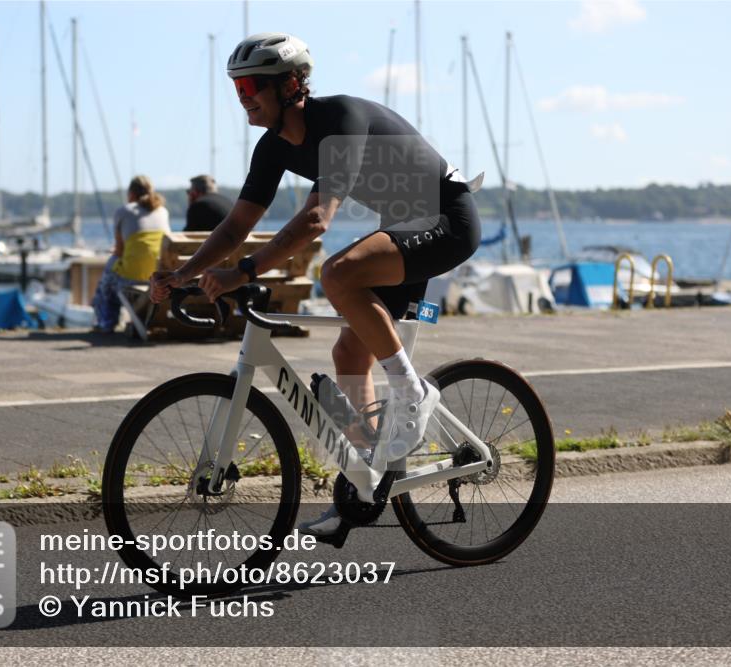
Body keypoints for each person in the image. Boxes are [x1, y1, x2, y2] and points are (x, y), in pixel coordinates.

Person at [149, 33, 481, 540]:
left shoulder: (341, 120)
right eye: (237, 89)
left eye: (252, 87)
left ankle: (412, 395)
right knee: (349, 354)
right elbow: (234, 228)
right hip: (405, 220)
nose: (244, 99)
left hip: (447, 217)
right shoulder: (272, 148)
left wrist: (243, 273)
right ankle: (364, 483)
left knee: (337, 272)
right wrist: (183, 274)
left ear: (290, 85)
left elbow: (316, 221)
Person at [92, 175, 171, 333]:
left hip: (132, 276)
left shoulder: (124, 211)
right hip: (157, 276)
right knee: (113, 268)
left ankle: (107, 322)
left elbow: (120, 251)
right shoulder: (162, 211)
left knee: (109, 272)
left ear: (131, 194)